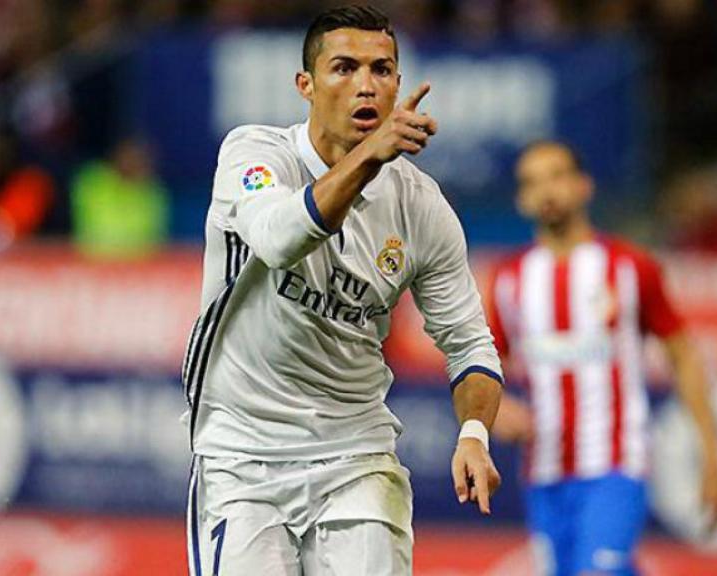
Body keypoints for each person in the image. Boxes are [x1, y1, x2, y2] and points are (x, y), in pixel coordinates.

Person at [183, 5, 505, 575]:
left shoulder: (420, 206)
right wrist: (368, 157)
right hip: (242, 456)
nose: (366, 85)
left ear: (399, 84)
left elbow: (470, 345)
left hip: (356, 457)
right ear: (305, 85)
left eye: (382, 70)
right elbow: (281, 238)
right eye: (344, 68)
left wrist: (474, 434)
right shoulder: (255, 156)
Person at [485, 141, 717, 576]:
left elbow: (684, 356)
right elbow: (483, 366)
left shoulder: (629, 267)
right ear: (521, 200)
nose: (546, 190)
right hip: (543, 472)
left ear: (584, 186)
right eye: (531, 182)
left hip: (616, 463)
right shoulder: (510, 280)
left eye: (557, 176)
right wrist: (494, 409)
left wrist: (713, 457)